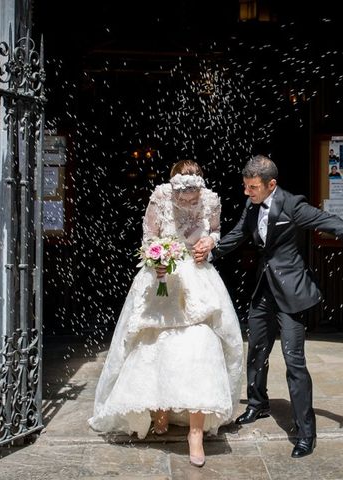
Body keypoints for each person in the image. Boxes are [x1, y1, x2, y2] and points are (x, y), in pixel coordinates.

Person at [193, 155, 343, 458]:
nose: (247, 192)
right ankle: (258, 404)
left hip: (291, 293)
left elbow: (334, 223)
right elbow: (238, 234)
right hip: (263, 291)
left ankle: (305, 432)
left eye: (253, 187)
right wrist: (212, 249)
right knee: (257, 349)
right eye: (245, 187)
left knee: (294, 360)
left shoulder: (293, 205)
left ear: (271, 184)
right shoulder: (251, 203)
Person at [88, 160, 243, 468]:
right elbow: (148, 235)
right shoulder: (159, 197)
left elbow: (214, 230)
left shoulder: (211, 200)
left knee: (201, 348)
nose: (187, 198)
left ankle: (195, 433)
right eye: (182, 192)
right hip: (163, 279)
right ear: (174, 185)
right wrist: (156, 258)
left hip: (198, 281)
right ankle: (160, 411)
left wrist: (209, 244)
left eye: (192, 192)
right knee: (156, 347)